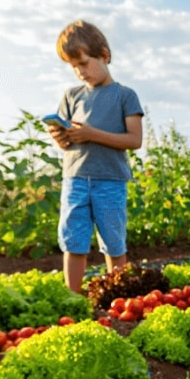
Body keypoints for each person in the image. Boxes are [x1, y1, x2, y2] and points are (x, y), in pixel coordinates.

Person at [47, 20, 144, 293]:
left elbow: (134, 140)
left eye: (84, 63)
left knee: (114, 242)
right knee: (73, 240)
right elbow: (67, 143)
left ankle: (117, 297)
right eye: (73, 66)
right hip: (75, 178)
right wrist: (61, 138)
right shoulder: (71, 96)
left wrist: (91, 134)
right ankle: (73, 298)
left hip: (110, 180)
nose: (80, 72)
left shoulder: (125, 96)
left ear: (104, 55)